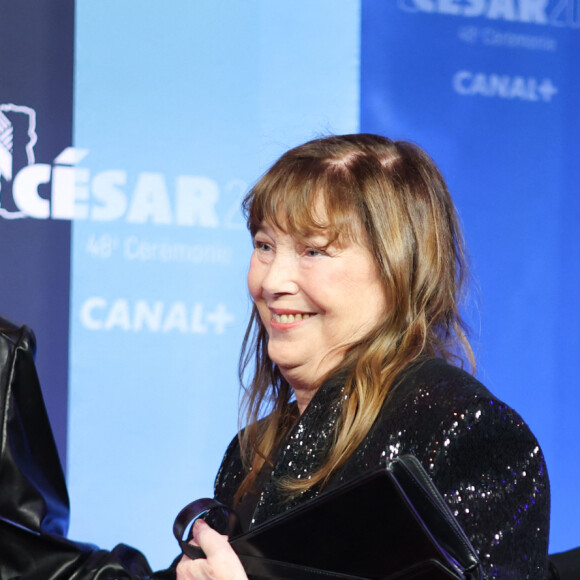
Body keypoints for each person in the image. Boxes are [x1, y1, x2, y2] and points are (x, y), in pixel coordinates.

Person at [175, 134, 550, 579]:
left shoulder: (466, 433)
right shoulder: (250, 452)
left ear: (398, 266)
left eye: (313, 250)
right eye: (264, 246)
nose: (272, 281)